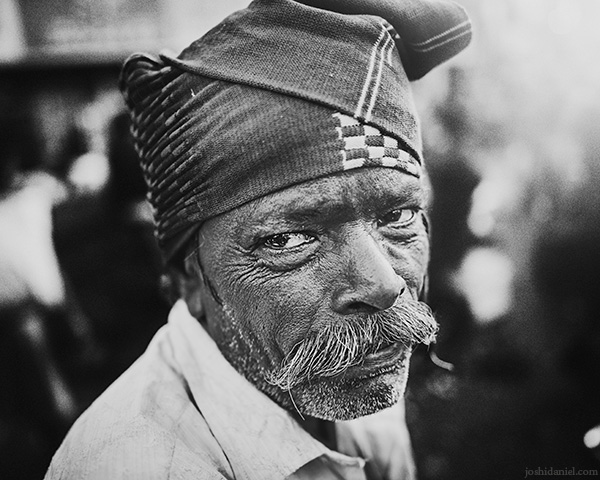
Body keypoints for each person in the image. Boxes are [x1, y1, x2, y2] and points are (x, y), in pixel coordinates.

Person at [45, 0, 471, 478]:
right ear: (190, 276)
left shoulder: (339, 368)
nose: (384, 283)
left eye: (399, 214)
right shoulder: (142, 466)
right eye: (289, 239)